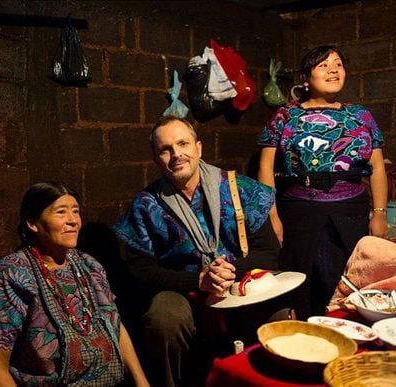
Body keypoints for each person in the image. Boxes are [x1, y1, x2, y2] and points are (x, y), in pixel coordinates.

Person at [114, 116, 281, 387]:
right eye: (165, 149)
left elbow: (269, 252)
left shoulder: (239, 188)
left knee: (280, 312)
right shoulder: (145, 205)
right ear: (156, 159)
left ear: (199, 148)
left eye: (183, 144)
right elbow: (141, 271)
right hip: (184, 288)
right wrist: (199, 281)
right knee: (164, 318)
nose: (176, 154)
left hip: (240, 281)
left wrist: (229, 271)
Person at [257, 45, 388, 319]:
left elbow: (376, 167)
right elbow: (266, 168)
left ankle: (345, 337)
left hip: (351, 210)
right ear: (305, 78)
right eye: (323, 65)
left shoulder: (361, 116)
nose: (333, 70)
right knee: (303, 278)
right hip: (300, 210)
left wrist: (379, 213)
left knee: (348, 278)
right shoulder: (284, 116)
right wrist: (272, 214)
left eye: (338, 64)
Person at [0, 181, 149, 387]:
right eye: (61, 212)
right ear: (32, 223)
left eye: (76, 211)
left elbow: (115, 326)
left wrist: (141, 381)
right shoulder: (13, 274)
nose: (73, 220)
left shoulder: (89, 266)